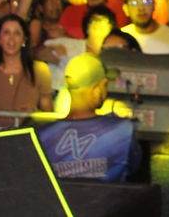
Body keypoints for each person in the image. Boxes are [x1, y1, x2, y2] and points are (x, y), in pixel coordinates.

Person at [36, 53, 141, 181]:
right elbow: (135, 167)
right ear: (96, 90)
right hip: (108, 200)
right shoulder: (122, 129)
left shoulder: (42, 135)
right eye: (105, 85)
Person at [0, 14, 54, 127]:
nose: (11, 39)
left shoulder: (40, 70)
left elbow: (49, 114)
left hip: (26, 135)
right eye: (6, 33)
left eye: (17, 33)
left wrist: (36, 113)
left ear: (24, 40)